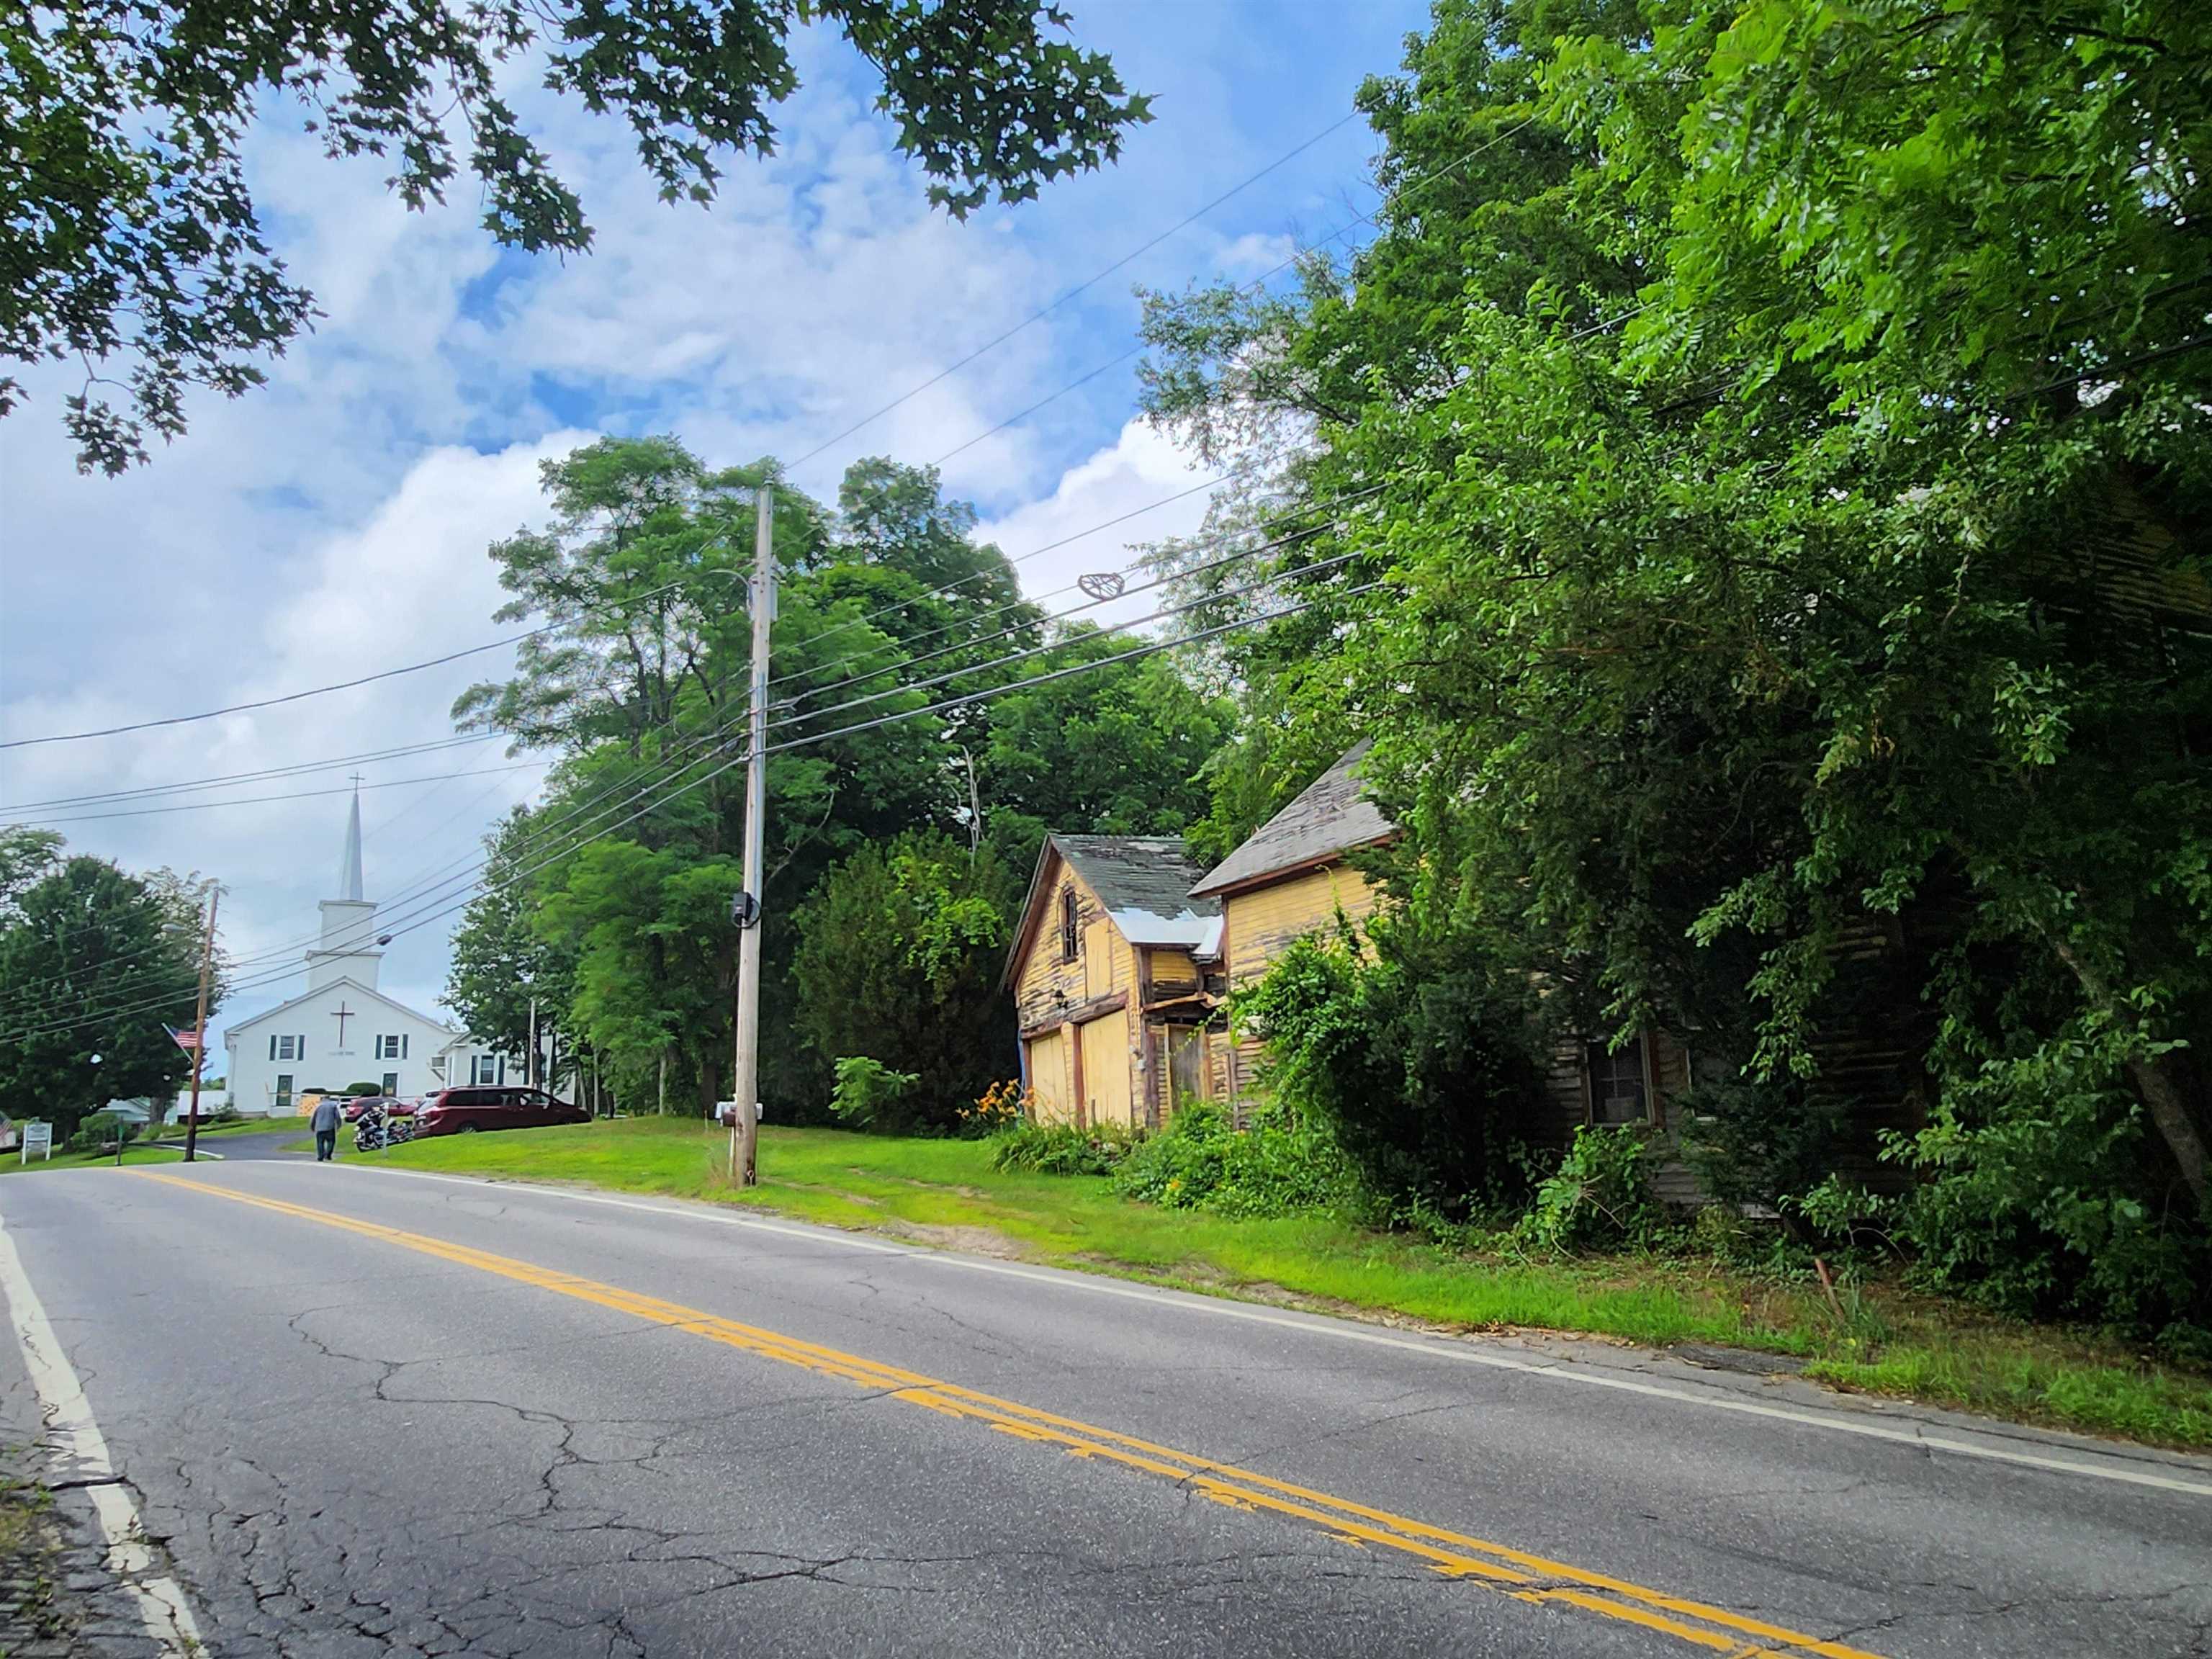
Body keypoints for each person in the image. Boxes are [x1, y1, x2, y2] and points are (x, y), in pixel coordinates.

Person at [310, 1093, 343, 1162]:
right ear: (329, 1098)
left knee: (320, 1143)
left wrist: (312, 1127)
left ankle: (320, 1156)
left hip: (319, 1128)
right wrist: (339, 1126)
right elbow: (337, 1117)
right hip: (330, 1127)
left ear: (322, 1099)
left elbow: (313, 1118)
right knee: (331, 1141)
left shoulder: (319, 1106)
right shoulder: (333, 1106)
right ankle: (328, 1155)